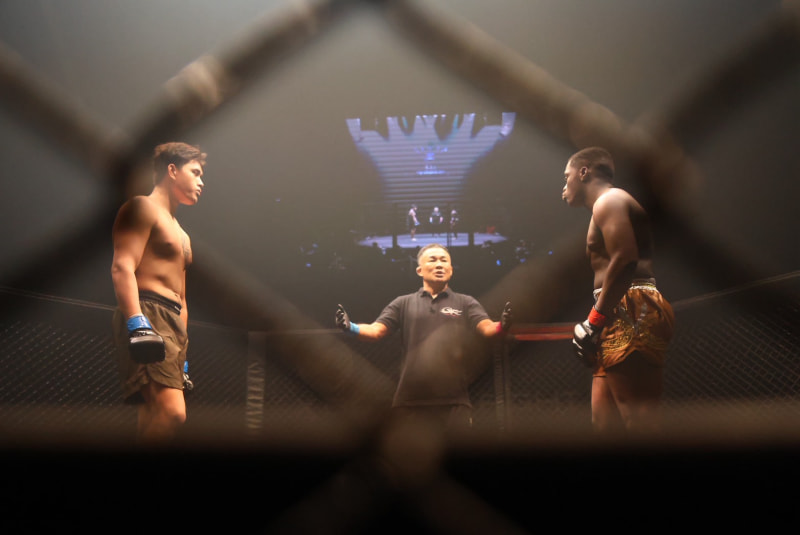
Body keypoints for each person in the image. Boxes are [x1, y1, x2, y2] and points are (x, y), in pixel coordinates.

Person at [335, 243, 512, 435]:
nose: (439, 264)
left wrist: (502, 325)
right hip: (411, 400)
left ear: (451, 270)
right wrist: (350, 327)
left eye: (444, 260)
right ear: (419, 270)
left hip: (454, 400)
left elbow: (487, 328)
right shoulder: (403, 303)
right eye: (433, 260)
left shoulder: (465, 302)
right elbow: (376, 330)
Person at [561, 146, 675, 435]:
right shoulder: (606, 206)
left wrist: (595, 320)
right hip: (615, 309)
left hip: (630, 306)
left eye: (566, 177)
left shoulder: (610, 201)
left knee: (640, 421)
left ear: (583, 172)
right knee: (605, 424)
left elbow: (625, 258)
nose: (564, 186)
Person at [110, 141, 207, 443]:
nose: (201, 182)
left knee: (151, 417)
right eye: (195, 172)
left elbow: (182, 299)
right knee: (173, 413)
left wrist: (183, 352)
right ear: (172, 170)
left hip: (174, 325)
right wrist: (136, 322)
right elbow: (122, 266)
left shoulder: (183, 235)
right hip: (147, 312)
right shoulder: (141, 207)